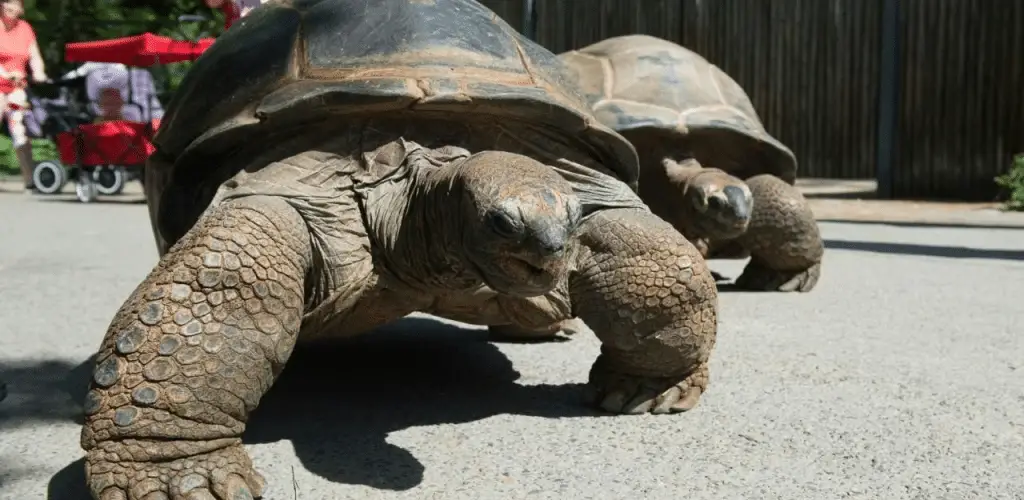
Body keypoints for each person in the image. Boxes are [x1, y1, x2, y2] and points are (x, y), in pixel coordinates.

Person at [0, 0, 46, 192]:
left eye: (14, 5)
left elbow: (34, 56)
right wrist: (5, 74)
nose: (10, 8)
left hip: (18, 86)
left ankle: (30, 179)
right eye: (6, 4)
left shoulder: (25, 28)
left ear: (21, 9)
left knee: (20, 131)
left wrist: (39, 74)